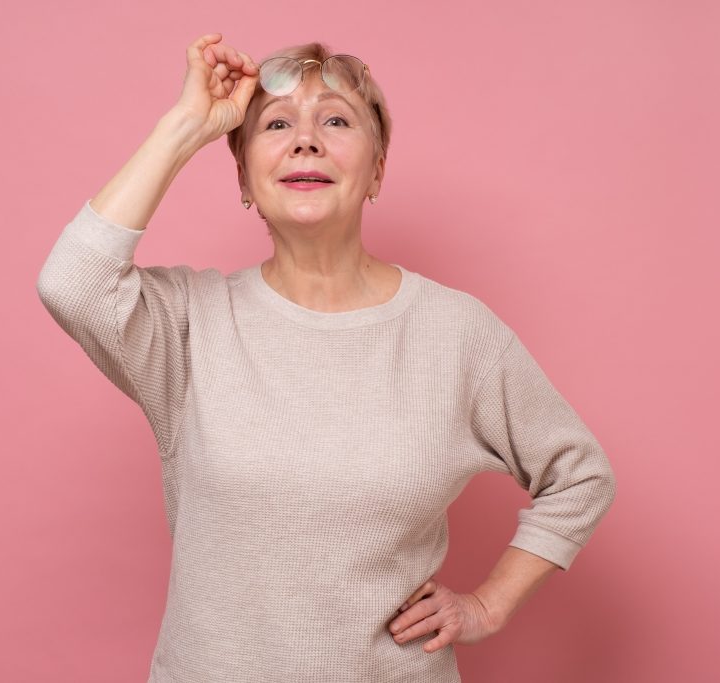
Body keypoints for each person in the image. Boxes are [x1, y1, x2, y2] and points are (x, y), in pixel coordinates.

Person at [36, 32, 616, 683]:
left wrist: (489, 603)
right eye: (277, 124)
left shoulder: (456, 332)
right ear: (243, 177)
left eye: (336, 120)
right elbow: (71, 282)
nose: (305, 140)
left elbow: (580, 473)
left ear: (377, 169)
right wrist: (184, 127)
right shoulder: (189, 324)